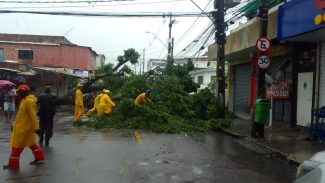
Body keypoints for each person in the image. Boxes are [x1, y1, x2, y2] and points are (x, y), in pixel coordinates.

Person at [3, 84, 45, 170]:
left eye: (20, 92)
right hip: (22, 127)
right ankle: (39, 157)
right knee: (31, 144)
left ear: (24, 92)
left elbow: (32, 115)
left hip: (24, 129)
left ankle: (13, 164)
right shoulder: (24, 100)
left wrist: (36, 128)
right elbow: (20, 116)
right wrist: (14, 125)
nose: (18, 94)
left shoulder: (28, 101)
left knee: (17, 146)